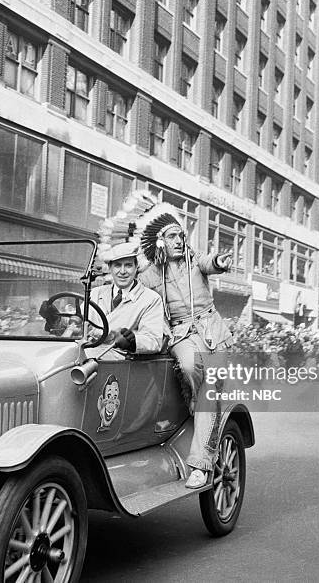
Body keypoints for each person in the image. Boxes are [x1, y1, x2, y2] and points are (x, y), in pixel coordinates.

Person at [137, 207, 233, 489]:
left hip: (213, 331)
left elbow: (210, 262)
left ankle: (200, 464)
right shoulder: (151, 274)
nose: (179, 240)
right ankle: (199, 405)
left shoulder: (194, 259)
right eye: (171, 236)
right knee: (191, 368)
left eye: (181, 235)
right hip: (181, 334)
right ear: (160, 242)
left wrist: (220, 261)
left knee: (209, 393)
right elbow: (132, 287)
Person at [41, 242, 165, 359]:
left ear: (136, 267)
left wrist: (133, 341)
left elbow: (153, 340)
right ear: (110, 268)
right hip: (86, 354)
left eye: (128, 265)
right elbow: (77, 325)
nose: (122, 271)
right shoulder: (95, 293)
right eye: (117, 265)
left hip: (119, 360)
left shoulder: (151, 299)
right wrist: (55, 318)